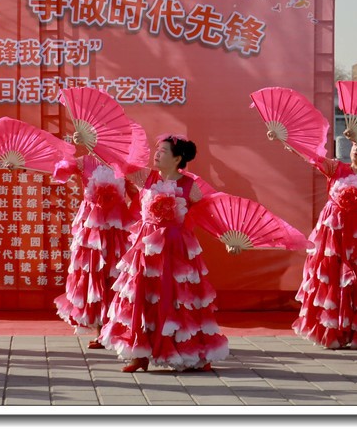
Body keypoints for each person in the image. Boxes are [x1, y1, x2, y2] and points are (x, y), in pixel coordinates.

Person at [98, 135, 230, 372]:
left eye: (163, 151)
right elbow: (116, 162)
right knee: (142, 297)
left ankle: (192, 353)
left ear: (178, 158)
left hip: (177, 250)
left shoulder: (191, 187)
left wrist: (227, 238)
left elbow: (210, 215)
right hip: (146, 248)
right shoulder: (144, 177)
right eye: (157, 150)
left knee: (180, 300)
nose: (156, 154)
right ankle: (139, 354)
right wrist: (91, 143)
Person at [286, 141, 357, 350]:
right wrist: (288, 141)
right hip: (332, 232)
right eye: (354, 145)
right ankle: (332, 329)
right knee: (331, 277)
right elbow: (313, 159)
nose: (356, 149)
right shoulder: (336, 168)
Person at [52, 153, 141, 349]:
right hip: (92, 227)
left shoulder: (123, 163)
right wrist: (22, 167)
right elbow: (58, 171)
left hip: (117, 227)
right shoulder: (84, 162)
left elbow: (136, 193)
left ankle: (117, 327)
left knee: (116, 274)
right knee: (94, 274)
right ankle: (101, 330)